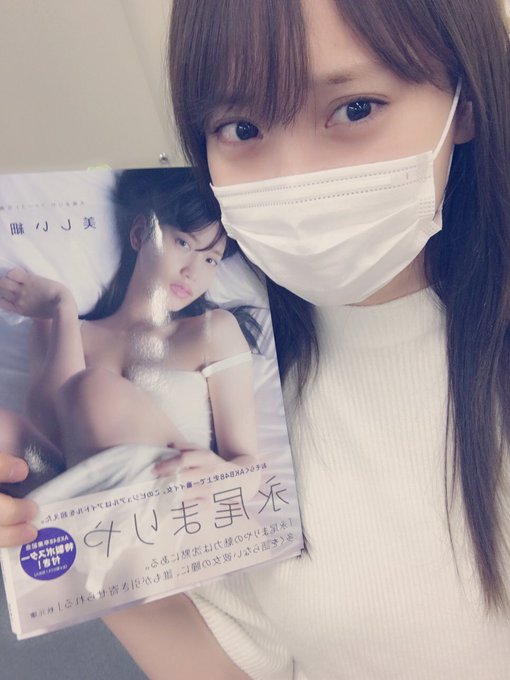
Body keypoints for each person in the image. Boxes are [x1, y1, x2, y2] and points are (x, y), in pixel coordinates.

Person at [1, 1, 510, 678]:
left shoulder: (219, 336)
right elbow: (239, 665)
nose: (291, 175)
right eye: (242, 127)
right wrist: (50, 547)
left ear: (464, 104)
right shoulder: (267, 357)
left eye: (356, 108)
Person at [0, 167, 259, 503]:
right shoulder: (58, 328)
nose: (192, 272)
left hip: (176, 501)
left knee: (95, 389)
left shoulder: (213, 330)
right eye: (183, 243)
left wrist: (220, 475)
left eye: (211, 260)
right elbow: (50, 432)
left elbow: (248, 467)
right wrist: (62, 307)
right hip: (81, 500)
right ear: (139, 234)